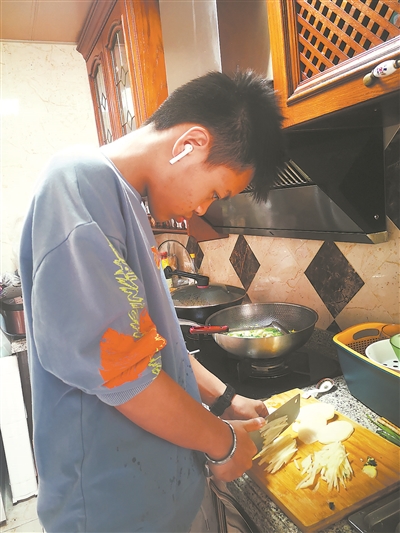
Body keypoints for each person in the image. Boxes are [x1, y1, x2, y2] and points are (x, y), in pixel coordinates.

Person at [19, 70, 286, 533]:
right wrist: (222, 441)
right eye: (214, 192)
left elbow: (154, 345)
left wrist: (227, 399)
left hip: (159, 497)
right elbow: (124, 374)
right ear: (191, 143)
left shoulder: (127, 205)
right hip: (110, 511)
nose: (202, 209)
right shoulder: (77, 187)